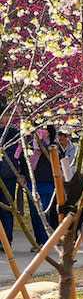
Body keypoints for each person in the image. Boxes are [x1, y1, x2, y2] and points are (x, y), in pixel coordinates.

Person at [0, 102, 19, 252]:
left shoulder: (14, 132)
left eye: (7, 115)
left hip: (8, 176)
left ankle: (7, 241)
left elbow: (23, 155)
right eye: (3, 115)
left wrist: (22, 173)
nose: (5, 118)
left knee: (7, 210)